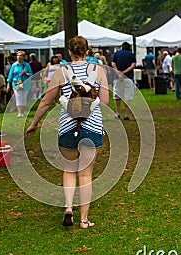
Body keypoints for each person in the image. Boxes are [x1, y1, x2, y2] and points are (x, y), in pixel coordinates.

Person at [25, 36, 109, 229]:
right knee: (86, 174)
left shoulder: (61, 72)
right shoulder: (99, 71)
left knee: (69, 170)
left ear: (69, 53)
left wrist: (34, 124)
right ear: (87, 52)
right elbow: (104, 102)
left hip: (67, 128)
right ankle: (84, 220)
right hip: (92, 127)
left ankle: (69, 208)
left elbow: (46, 101)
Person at [111, 41, 136, 120]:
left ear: (121, 47)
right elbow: (133, 65)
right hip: (128, 77)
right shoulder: (131, 55)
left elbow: (113, 64)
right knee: (127, 96)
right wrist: (124, 72)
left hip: (117, 77)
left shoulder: (117, 53)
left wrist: (118, 72)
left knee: (117, 96)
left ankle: (117, 113)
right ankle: (126, 115)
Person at [6, 50, 33, 117]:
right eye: (18, 55)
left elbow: (31, 74)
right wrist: (8, 84)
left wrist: (26, 74)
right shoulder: (14, 65)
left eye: (20, 56)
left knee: (23, 97)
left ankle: (22, 112)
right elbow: (10, 75)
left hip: (25, 83)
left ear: (23, 57)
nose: (19, 57)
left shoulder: (27, 65)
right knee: (18, 97)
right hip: (17, 83)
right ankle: (19, 112)